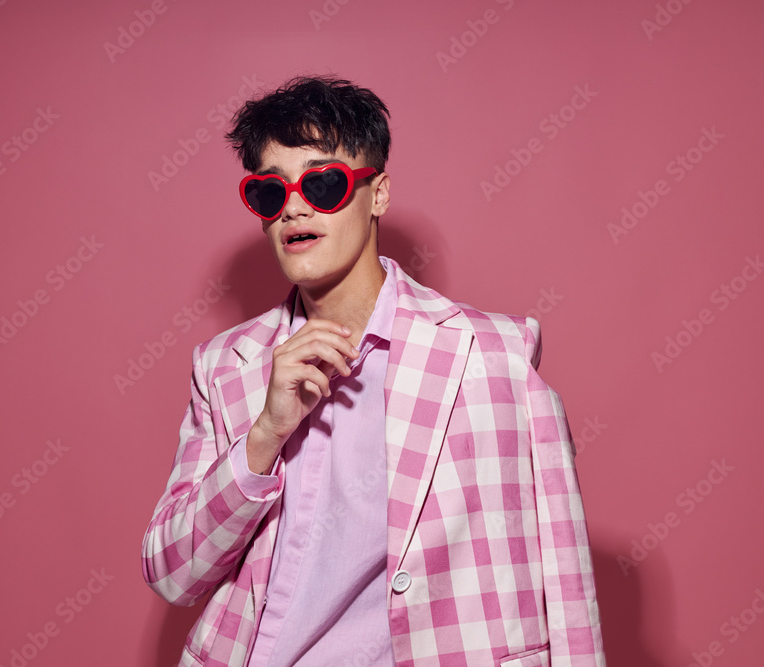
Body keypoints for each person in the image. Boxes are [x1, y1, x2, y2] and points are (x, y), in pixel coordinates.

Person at [141, 75, 605, 667]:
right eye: (270, 192)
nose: (295, 207)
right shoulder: (225, 367)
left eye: (323, 182)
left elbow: (564, 573)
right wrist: (264, 436)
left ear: (377, 194)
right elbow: (172, 574)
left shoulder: (492, 356)